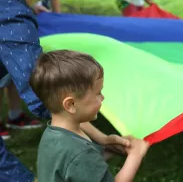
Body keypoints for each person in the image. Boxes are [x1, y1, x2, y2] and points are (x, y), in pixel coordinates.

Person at [0, 0, 131, 181]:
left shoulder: (10, 3)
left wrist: (100, 139)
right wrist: (101, 138)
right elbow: (46, 93)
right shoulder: (13, 16)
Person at [31, 50, 150, 181]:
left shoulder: (52, 136)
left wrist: (106, 145)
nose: (103, 97)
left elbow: (75, 169)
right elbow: (81, 161)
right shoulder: (80, 153)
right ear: (71, 104)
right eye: (98, 93)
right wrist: (135, 156)